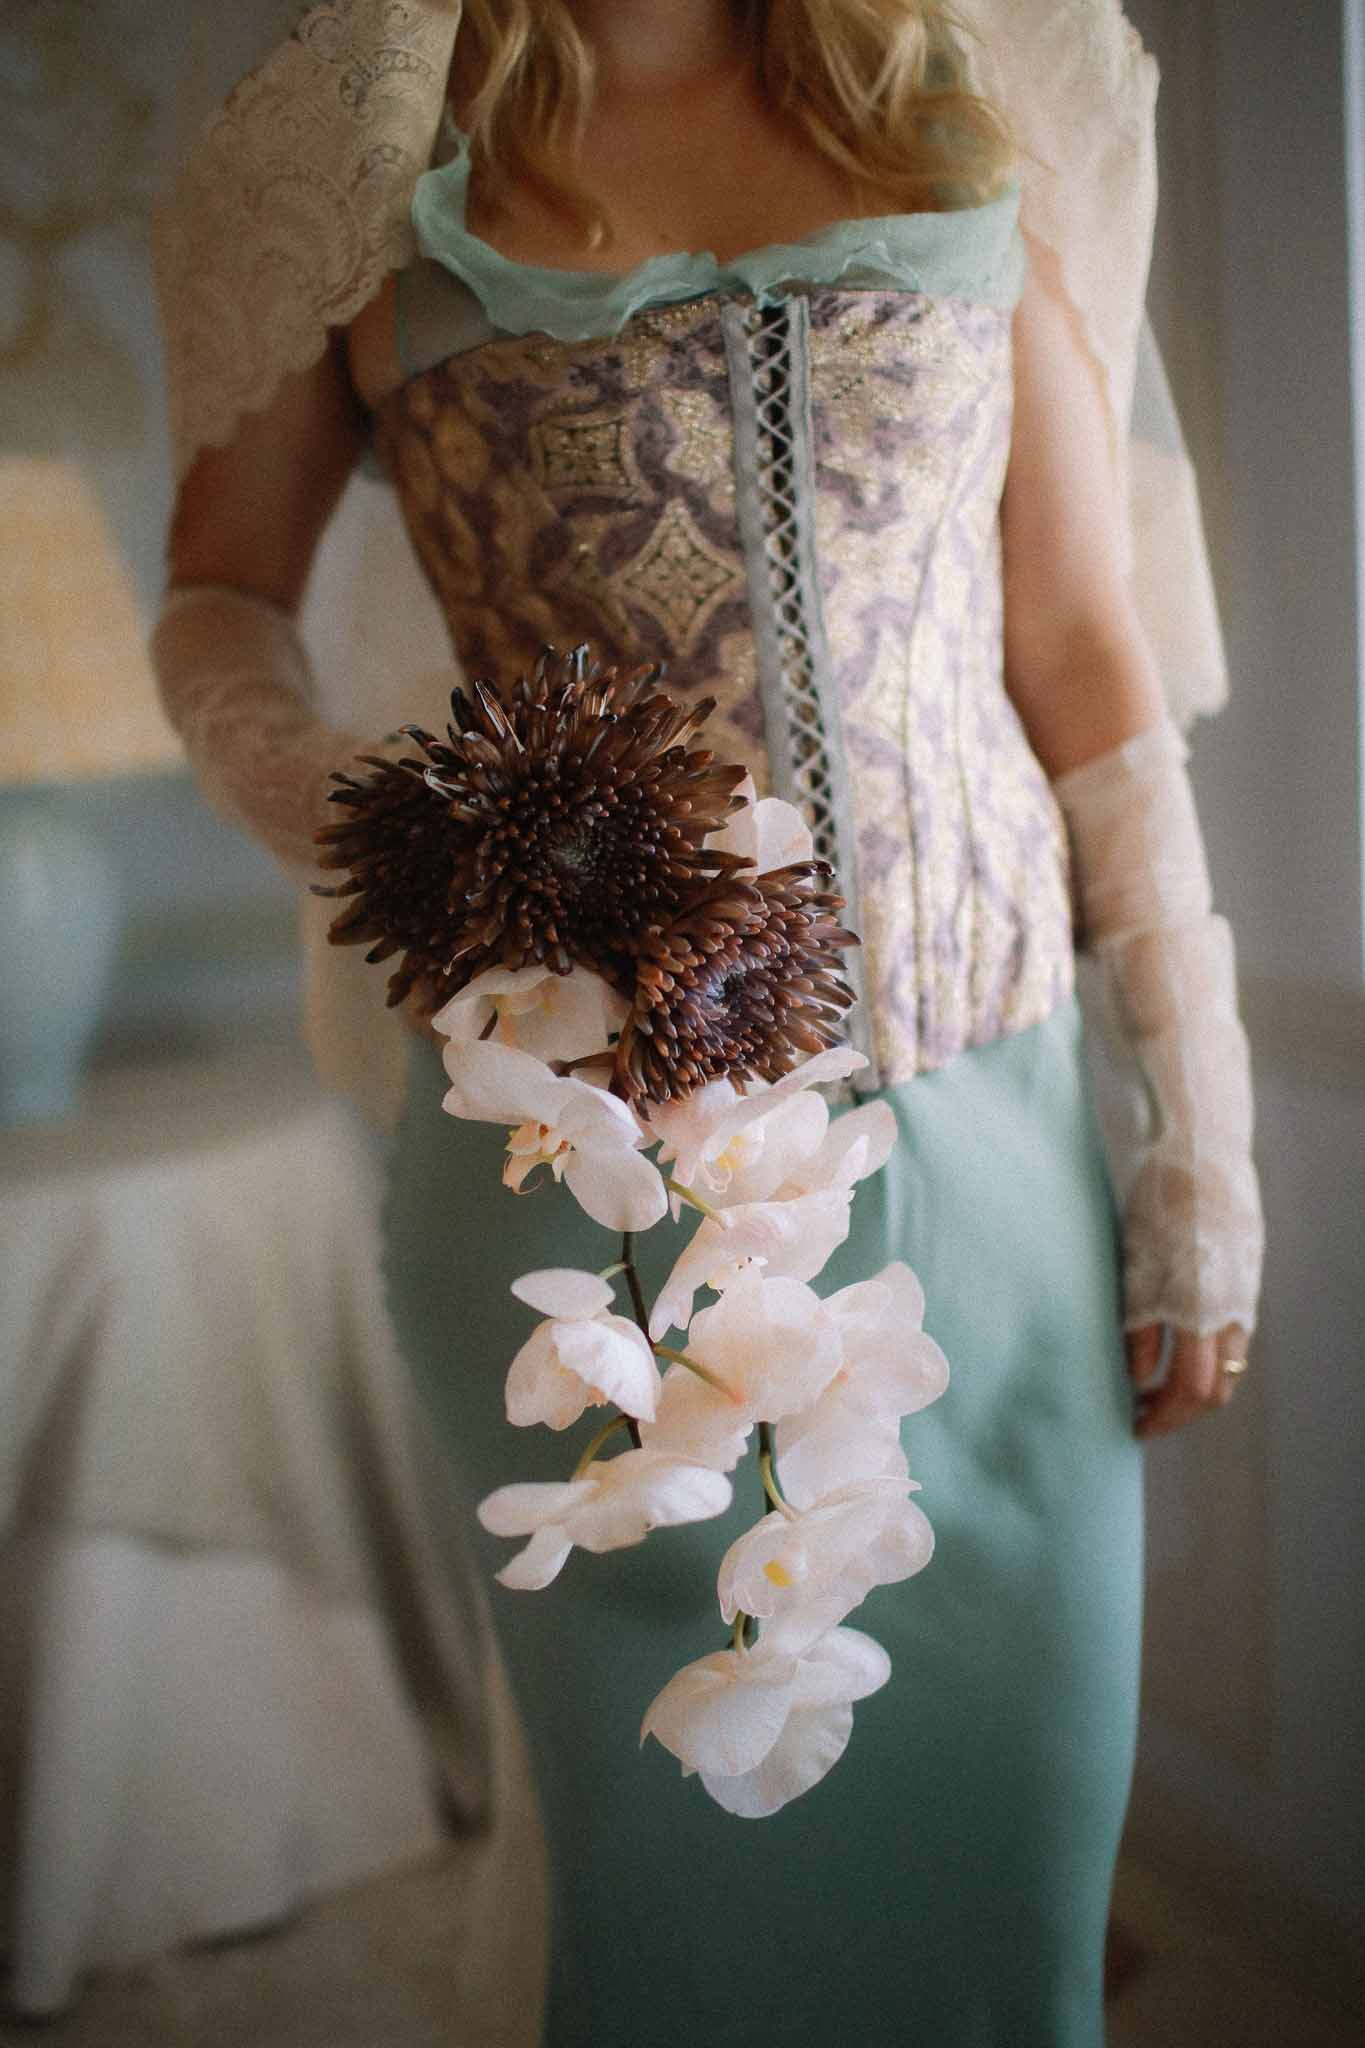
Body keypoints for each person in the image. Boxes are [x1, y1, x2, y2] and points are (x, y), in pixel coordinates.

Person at [150, 2, 1264, 2042]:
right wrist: (406, 830)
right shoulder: (344, 153)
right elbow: (219, 590)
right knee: (667, 1910)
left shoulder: (970, 84)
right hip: (575, 1181)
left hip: (990, 1129)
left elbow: (1085, 652)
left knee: (1010, 1894)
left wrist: (1196, 1134)